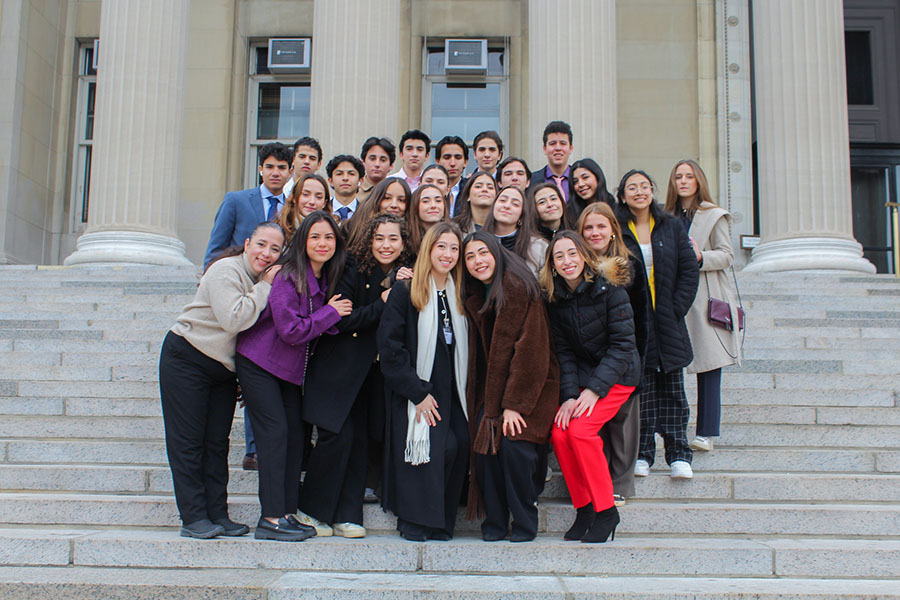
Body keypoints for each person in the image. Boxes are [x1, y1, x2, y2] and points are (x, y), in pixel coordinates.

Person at [160, 222, 284, 539]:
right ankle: (193, 517)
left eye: (275, 249)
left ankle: (218, 513)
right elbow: (234, 318)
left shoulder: (259, 279)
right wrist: (266, 286)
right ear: (246, 243)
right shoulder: (226, 271)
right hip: (188, 357)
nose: (266, 253)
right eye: (261, 244)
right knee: (188, 442)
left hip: (223, 369)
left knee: (217, 445)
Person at [236, 211, 352, 541]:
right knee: (274, 437)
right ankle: (270, 519)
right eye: (315, 236)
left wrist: (329, 317)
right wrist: (331, 313)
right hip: (259, 363)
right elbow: (289, 330)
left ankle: (286, 512)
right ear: (303, 241)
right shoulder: (289, 275)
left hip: (286, 372)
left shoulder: (325, 278)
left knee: (294, 440)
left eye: (329, 237)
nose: (322, 243)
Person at [299, 214, 415, 538]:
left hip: (372, 374)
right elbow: (340, 321)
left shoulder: (404, 276)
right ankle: (310, 511)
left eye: (393, 239)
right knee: (336, 437)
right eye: (379, 238)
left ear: (403, 243)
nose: (386, 245)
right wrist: (382, 301)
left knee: (359, 441)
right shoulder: (351, 268)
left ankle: (347, 515)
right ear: (369, 239)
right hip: (338, 368)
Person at [540, 231, 641, 543]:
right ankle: (584, 507)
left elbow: (624, 346)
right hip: (583, 378)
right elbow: (564, 353)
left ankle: (607, 510)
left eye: (572, 253)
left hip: (619, 375)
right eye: (559, 256)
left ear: (584, 255)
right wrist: (570, 395)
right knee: (560, 432)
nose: (567, 261)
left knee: (582, 432)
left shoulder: (610, 289)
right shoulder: (556, 298)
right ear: (553, 266)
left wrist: (594, 390)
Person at [462, 231, 558, 542]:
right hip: (492, 396)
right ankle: (495, 520)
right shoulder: (476, 293)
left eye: (483, 253)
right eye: (470, 257)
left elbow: (531, 352)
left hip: (530, 391)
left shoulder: (517, 287)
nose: (478, 261)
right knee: (485, 449)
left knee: (515, 448)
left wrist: (513, 406)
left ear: (496, 254)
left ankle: (525, 520)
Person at [376, 222, 470, 541]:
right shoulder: (406, 292)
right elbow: (390, 350)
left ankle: (442, 522)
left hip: (452, 388)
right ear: (429, 249)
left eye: (454, 248)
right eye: (441, 246)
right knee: (435, 447)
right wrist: (417, 393)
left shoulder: (459, 293)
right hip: (415, 388)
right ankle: (416, 521)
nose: (448, 254)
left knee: (461, 444)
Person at [615, 169, 699, 479]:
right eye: (631, 187)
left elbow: (690, 272)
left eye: (644, 186)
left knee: (674, 390)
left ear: (652, 191)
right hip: (636, 323)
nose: (639, 191)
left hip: (669, 321)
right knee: (644, 390)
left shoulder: (671, 226)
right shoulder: (618, 230)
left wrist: (676, 308)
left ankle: (679, 454)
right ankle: (644, 454)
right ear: (622, 195)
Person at [665, 159, 742, 453]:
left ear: (699, 180)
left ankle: (706, 431)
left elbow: (726, 255)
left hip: (705, 295)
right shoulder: (666, 215)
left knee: (709, 365)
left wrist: (699, 258)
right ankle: (672, 428)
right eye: (678, 176)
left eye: (689, 176)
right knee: (674, 364)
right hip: (674, 296)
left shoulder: (713, 215)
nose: (683, 181)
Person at [576, 202, 650, 506]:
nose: (594, 233)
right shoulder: (574, 263)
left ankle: (620, 483)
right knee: (593, 426)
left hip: (622, 356)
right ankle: (595, 482)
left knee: (623, 425)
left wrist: (640, 359)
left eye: (600, 227)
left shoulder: (627, 264)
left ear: (612, 231)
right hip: (587, 358)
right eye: (588, 228)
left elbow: (642, 315)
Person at [203, 142, 292, 268]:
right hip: (238, 276)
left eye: (281, 168)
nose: (275, 173)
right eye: (270, 167)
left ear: (290, 172)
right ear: (260, 169)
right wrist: (208, 278)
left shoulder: (292, 208)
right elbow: (216, 247)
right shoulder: (235, 201)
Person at [483, 185, 548, 277]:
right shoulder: (478, 242)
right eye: (502, 200)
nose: (507, 206)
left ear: (522, 215)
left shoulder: (538, 247)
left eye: (515, 204)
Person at [344, 178, 412, 248]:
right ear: (377, 199)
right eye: (387, 198)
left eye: (401, 200)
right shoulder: (350, 227)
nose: (394, 205)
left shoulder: (412, 233)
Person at [528, 121, 574, 204]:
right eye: (552, 143)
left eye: (563, 143)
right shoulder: (532, 180)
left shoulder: (578, 180)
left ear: (570, 148)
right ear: (544, 149)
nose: (558, 148)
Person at [277, 172, 331, 242]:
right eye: (305, 194)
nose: (312, 202)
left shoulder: (333, 231)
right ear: (294, 198)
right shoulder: (279, 230)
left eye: (319, 197)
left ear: (324, 203)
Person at [568, 158, 616, 225]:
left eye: (585, 177)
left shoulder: (614, 208)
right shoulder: (569, 213)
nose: (580, 184)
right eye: (575, 181)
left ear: (597, 177)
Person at [408, 183, 449, 251]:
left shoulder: (453, 236)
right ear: (415, 206)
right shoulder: (406, 239)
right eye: (426, 201)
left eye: (438, 201)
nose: (433, 205)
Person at [435, 135, 469, 214]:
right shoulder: (430, 189)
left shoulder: (471, 190)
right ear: (437, 161)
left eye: (458, 157)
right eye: (447, 157)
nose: (452, 163)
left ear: (465, 162)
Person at [358, 137, 396, 203]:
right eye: (372, 159)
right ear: (363, 162)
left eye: (383, 160)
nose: (377, 164)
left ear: (391, 165)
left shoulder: (396, 192)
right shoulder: (354, 192)